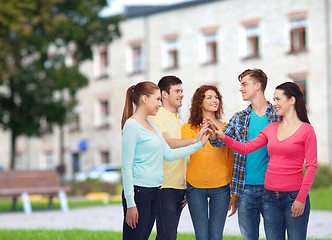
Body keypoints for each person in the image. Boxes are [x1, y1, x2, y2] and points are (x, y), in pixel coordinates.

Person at [209, 82, 317, 240]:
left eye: (278, 99)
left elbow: (312, 167)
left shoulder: (306, 130)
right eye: (274, 99)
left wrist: (301, 199)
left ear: (292, 100)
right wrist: (222, 137)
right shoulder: (271, 128)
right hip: (270, 197)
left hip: (294, 197)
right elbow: (246, 148)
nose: (275, 104)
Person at [121, 81, 210, 240]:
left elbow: (168, 154)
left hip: (154, 191)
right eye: (157, 99)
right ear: (144, 99)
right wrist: (131, 203)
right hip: (138, 193)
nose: (159, 104)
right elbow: (126, 167)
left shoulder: (152, 127)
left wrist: (199, 143)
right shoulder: (132, 125)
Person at [209, 69, 281, 240]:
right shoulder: (239, 117)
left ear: (257, 86)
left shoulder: (278, 116)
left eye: (244, 84)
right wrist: (213, 133)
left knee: (275, 236)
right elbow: (220, 141)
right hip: (245, 189)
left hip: (272, 189)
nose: (241, 89)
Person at [149, 76, 205, 240]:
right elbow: (168, 143)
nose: (181, 95)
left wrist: (186, 182)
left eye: (182, 91)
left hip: (179, 187)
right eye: (177, 91)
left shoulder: (179, 121)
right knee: (168, 235)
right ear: (164, 94)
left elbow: (183, 155)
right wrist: (196, 140)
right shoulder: (155, 117)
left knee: (168, 235)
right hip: (163, 187)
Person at [181, 85, 234, 240]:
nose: (214, 100)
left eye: (216, 97)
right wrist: (183, 184)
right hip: (195, 188)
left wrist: (233, 192)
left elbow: (231, 158)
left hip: (222, 188)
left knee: (216, 236)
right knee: (202, 236)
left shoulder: (226, 128)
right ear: (200, 102)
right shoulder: (188, 128)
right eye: (209, 97)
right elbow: (181, 157)